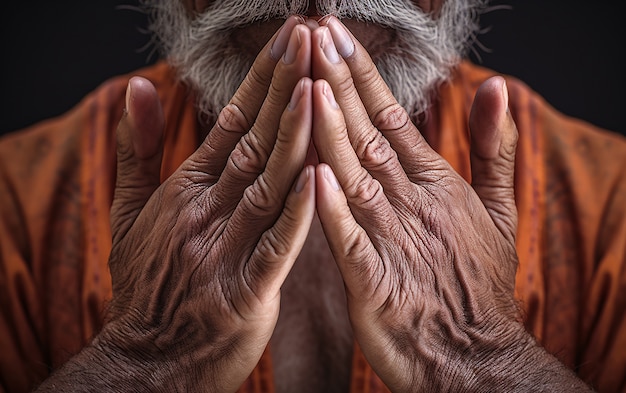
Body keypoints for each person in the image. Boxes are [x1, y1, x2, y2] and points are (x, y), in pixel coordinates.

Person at [0, 0, 624, 392]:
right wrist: (140, 362)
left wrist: (486, 355)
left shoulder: (607, 200)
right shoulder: (19, 203)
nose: (318, 7)